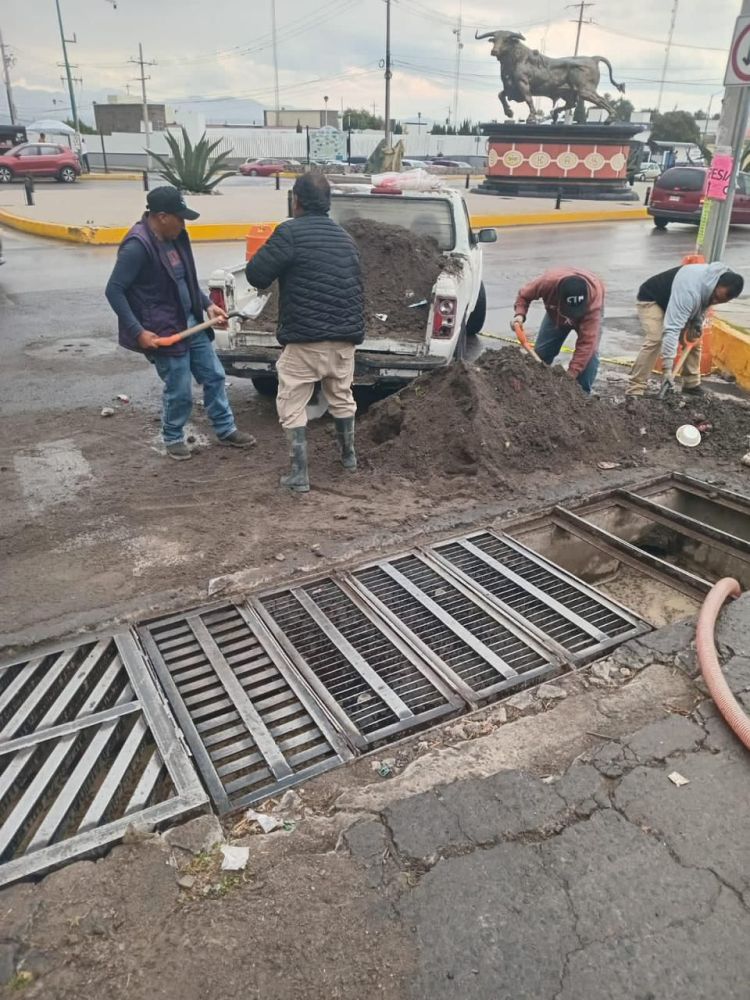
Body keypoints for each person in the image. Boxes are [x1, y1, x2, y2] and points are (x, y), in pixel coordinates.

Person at [105, 185, 255, 460]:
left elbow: (184, 279)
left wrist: (208, 305)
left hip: (189, 321)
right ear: (162, 216)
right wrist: (138, 332)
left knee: (214, 376)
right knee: (179, 389)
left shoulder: (174, 237)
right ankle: (173, 436)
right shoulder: (137, 246)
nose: (184, 223)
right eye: (180, 217)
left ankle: (225, 429)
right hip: (163, 329)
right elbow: (114, 290)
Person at [244, 172, 364, 493]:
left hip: (305, 339)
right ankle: (349, 458)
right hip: (345, 339)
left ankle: (299, 475)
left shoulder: (290, 233)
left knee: (292, 401)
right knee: (341, 396)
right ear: (328, 203)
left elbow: (256, 274)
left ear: (295, 200)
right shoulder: (346, 238)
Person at [627, 263, 744, 397]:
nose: (715, 301)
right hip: (652, 299)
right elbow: (672, 329)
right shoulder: (690, 291)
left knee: (693, 337)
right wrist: (667, 370)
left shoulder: (714, 286)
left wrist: (697, 322)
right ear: (715, 284)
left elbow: (704, 302)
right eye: (715, 297)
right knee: (656, 339)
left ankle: (691, 384)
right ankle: (635, 388)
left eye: (719, 301)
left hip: (677, 301)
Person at [512, 268, 605, 393]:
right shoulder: (546, 283)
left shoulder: (593, 302)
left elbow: (587, 344)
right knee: (541, 354)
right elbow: (524, 295)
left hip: (587, 315)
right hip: (555, 314)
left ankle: (582, 397)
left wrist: (570, 376)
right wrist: (520, 314)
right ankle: (534, 390)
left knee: (589, 358)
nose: (571, 317)